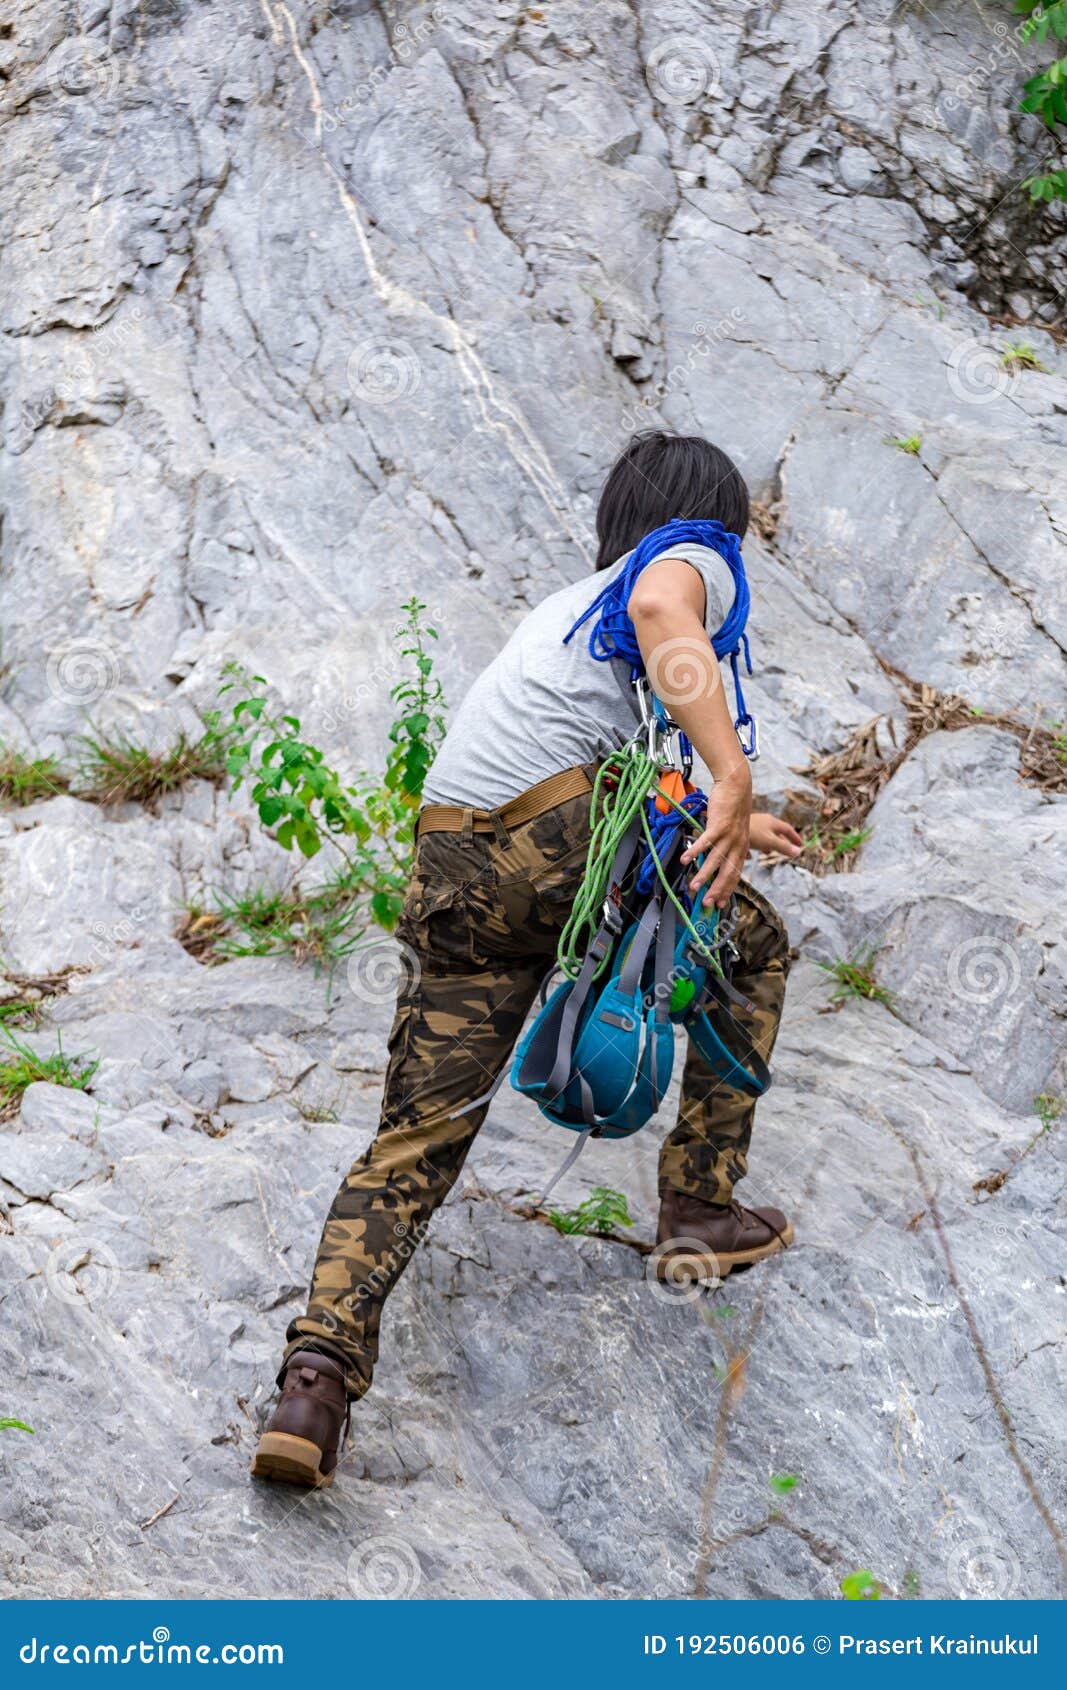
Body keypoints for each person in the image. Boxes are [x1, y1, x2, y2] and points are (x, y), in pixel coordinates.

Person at [251, 430, 802, 1489]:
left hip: (455, 860)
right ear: (706, 520)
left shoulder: (560, 611)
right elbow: (660, 621)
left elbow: (592, 760)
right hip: (545, 853)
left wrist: (736, 812)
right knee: (755, 944)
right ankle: (695, 1206)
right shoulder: (685, 561)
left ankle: (311, 1389)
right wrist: (729, 775)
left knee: (416, 1139)